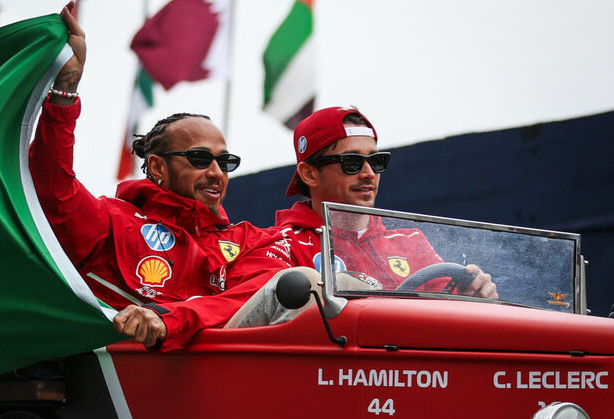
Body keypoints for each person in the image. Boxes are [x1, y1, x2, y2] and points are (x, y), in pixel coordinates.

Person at [30, 2, 274, 350]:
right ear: (158, 167)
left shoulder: (252, 241)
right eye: (200, 158)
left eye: (226, 162)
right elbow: (52, 186)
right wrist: (65, 88)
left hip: (221, 391)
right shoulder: (110, 222)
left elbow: (264, 295)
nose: (216, 172)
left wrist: (169, 317)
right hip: (119, 392)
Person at [226, 106, 498, 327]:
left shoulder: (410, 241)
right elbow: (243, 325)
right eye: (352, 163)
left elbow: (446, 319)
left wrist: (473, 296)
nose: (369, 173)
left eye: (376, 161)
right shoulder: (276, 245)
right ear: (309, 174)